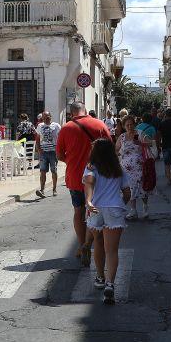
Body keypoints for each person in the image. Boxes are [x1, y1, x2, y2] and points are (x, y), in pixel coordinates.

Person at [56, 101, 111, 268]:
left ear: (72, 113)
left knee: (78, 211)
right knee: (94, 212)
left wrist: (72, 161)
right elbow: (110, 150)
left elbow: (59, 155)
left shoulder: (66, 128)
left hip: (75, 178)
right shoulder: (100, 124)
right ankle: (89, 243)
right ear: (85, 110)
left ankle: (81, 246)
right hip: (97, 178)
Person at [82, 138, 131, 305]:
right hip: (114, 209)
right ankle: (110, 284)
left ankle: (100, 277)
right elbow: (127, 192)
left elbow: (89, 182)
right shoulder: (119, 169)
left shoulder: (91, 167)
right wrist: (120, 204)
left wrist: (89, 201)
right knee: (112, 250)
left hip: (95, 208)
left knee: (98, 243)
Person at [115, 114, 150, 220]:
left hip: (140, 166)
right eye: (127, 125)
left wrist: (140, 143)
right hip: (126, 169)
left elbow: (150, 144)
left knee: (142, 188)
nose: (129, 126)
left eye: (131, 124)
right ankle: (133, 210)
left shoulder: (140, 133)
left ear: (134, 124)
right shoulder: (122, 137)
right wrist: (119, 154)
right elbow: (116, 149)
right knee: (131, 188)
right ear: (124, 126)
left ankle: (145, 208)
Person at [35, 111, 62, 198]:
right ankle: (42, 190)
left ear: (50, 116)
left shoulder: (56, 126)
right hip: (44, 152)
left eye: (48, 116)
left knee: (54, 170)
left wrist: (60, 149)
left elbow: (61, 137)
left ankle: (54, 189)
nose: (46, 117)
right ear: (42, 118)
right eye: (44, 116)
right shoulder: (40, 126)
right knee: (42, 171)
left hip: (53, 152)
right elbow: (38, 138)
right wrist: (38, 149)